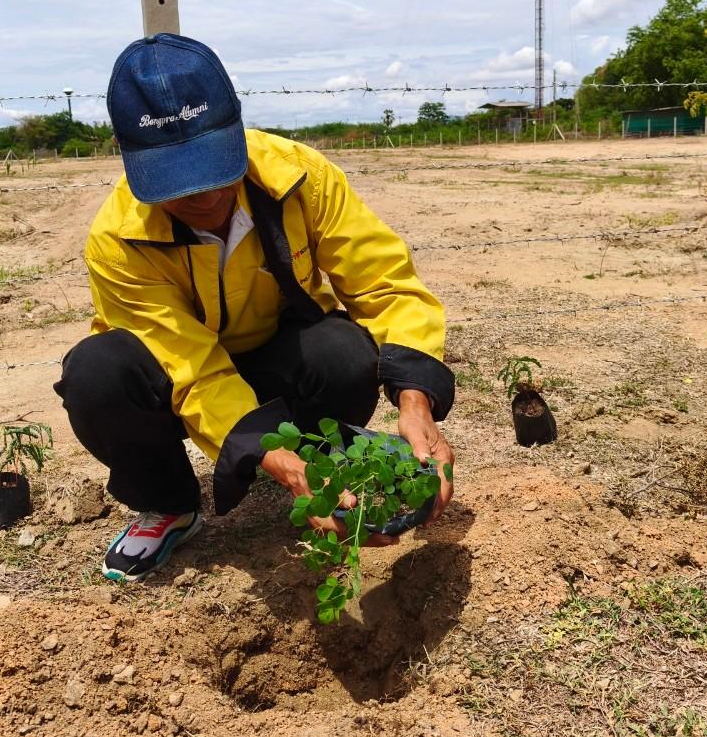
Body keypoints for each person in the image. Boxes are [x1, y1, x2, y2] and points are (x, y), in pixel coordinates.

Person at [54, 33, 456, 582]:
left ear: (238, 128)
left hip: (274, 350)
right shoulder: (119, 239)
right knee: (98, 374)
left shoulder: (300, 177)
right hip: (174, 377)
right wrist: (262, 448)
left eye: (216, 166)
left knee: (341, 353)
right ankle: (169, 503)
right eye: (177, 180)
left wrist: (415, 401)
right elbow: (190, 369)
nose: (206, 196)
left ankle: (318, 471)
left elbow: (384, 283)